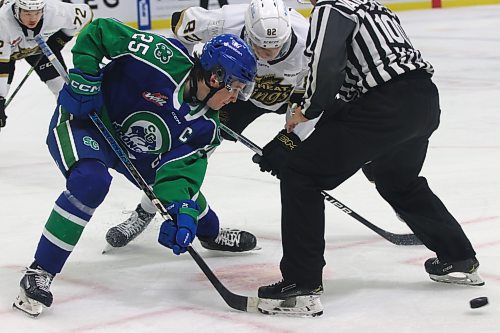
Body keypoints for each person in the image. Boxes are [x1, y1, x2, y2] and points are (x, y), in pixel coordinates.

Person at [12, 18, 257, 317]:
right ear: (216, 77)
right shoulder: (161, 55)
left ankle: (210, 233)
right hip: (88, 122)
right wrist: (86, 76)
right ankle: (40, 271)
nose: (236, 97)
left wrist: (181, 212)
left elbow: (178, 176)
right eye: (236, 87)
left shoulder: (207, 128)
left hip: (137, 152)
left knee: (186, 202)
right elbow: (99, 31)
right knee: (91, 182)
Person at [255, 0, 484, 317]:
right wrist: (288, 139)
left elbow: (326, 73)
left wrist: (298, 125)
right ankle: (458, 257)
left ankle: (301, 285)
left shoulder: (330, 9)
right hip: (423, 101)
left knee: (300, 176)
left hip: (385, 106)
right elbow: (343, 105)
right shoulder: (374, 7)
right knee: (398, 182)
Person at [105, 0, 318, 249]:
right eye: (259, 45)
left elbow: (315, 95)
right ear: (247, 30)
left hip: (287, 98)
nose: (266, 55)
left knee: (299, 155)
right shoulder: (225, 21)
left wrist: (289, 139)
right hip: (231, 92)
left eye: (275, 48)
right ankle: (147, 210)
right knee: (187, 155)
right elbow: (180, 25)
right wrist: (183, 80)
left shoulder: (309, 41)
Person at [0, 0, 92, 128]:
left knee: (62, 90)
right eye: (27, 13)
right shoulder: (2, 21)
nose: (32, 19)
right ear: (16, 10)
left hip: (40, 48)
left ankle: (72, 129)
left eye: (37, 13)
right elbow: (2, 67)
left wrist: (59, 40)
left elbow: (86, 14)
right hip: (5, 55)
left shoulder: (56, 11)